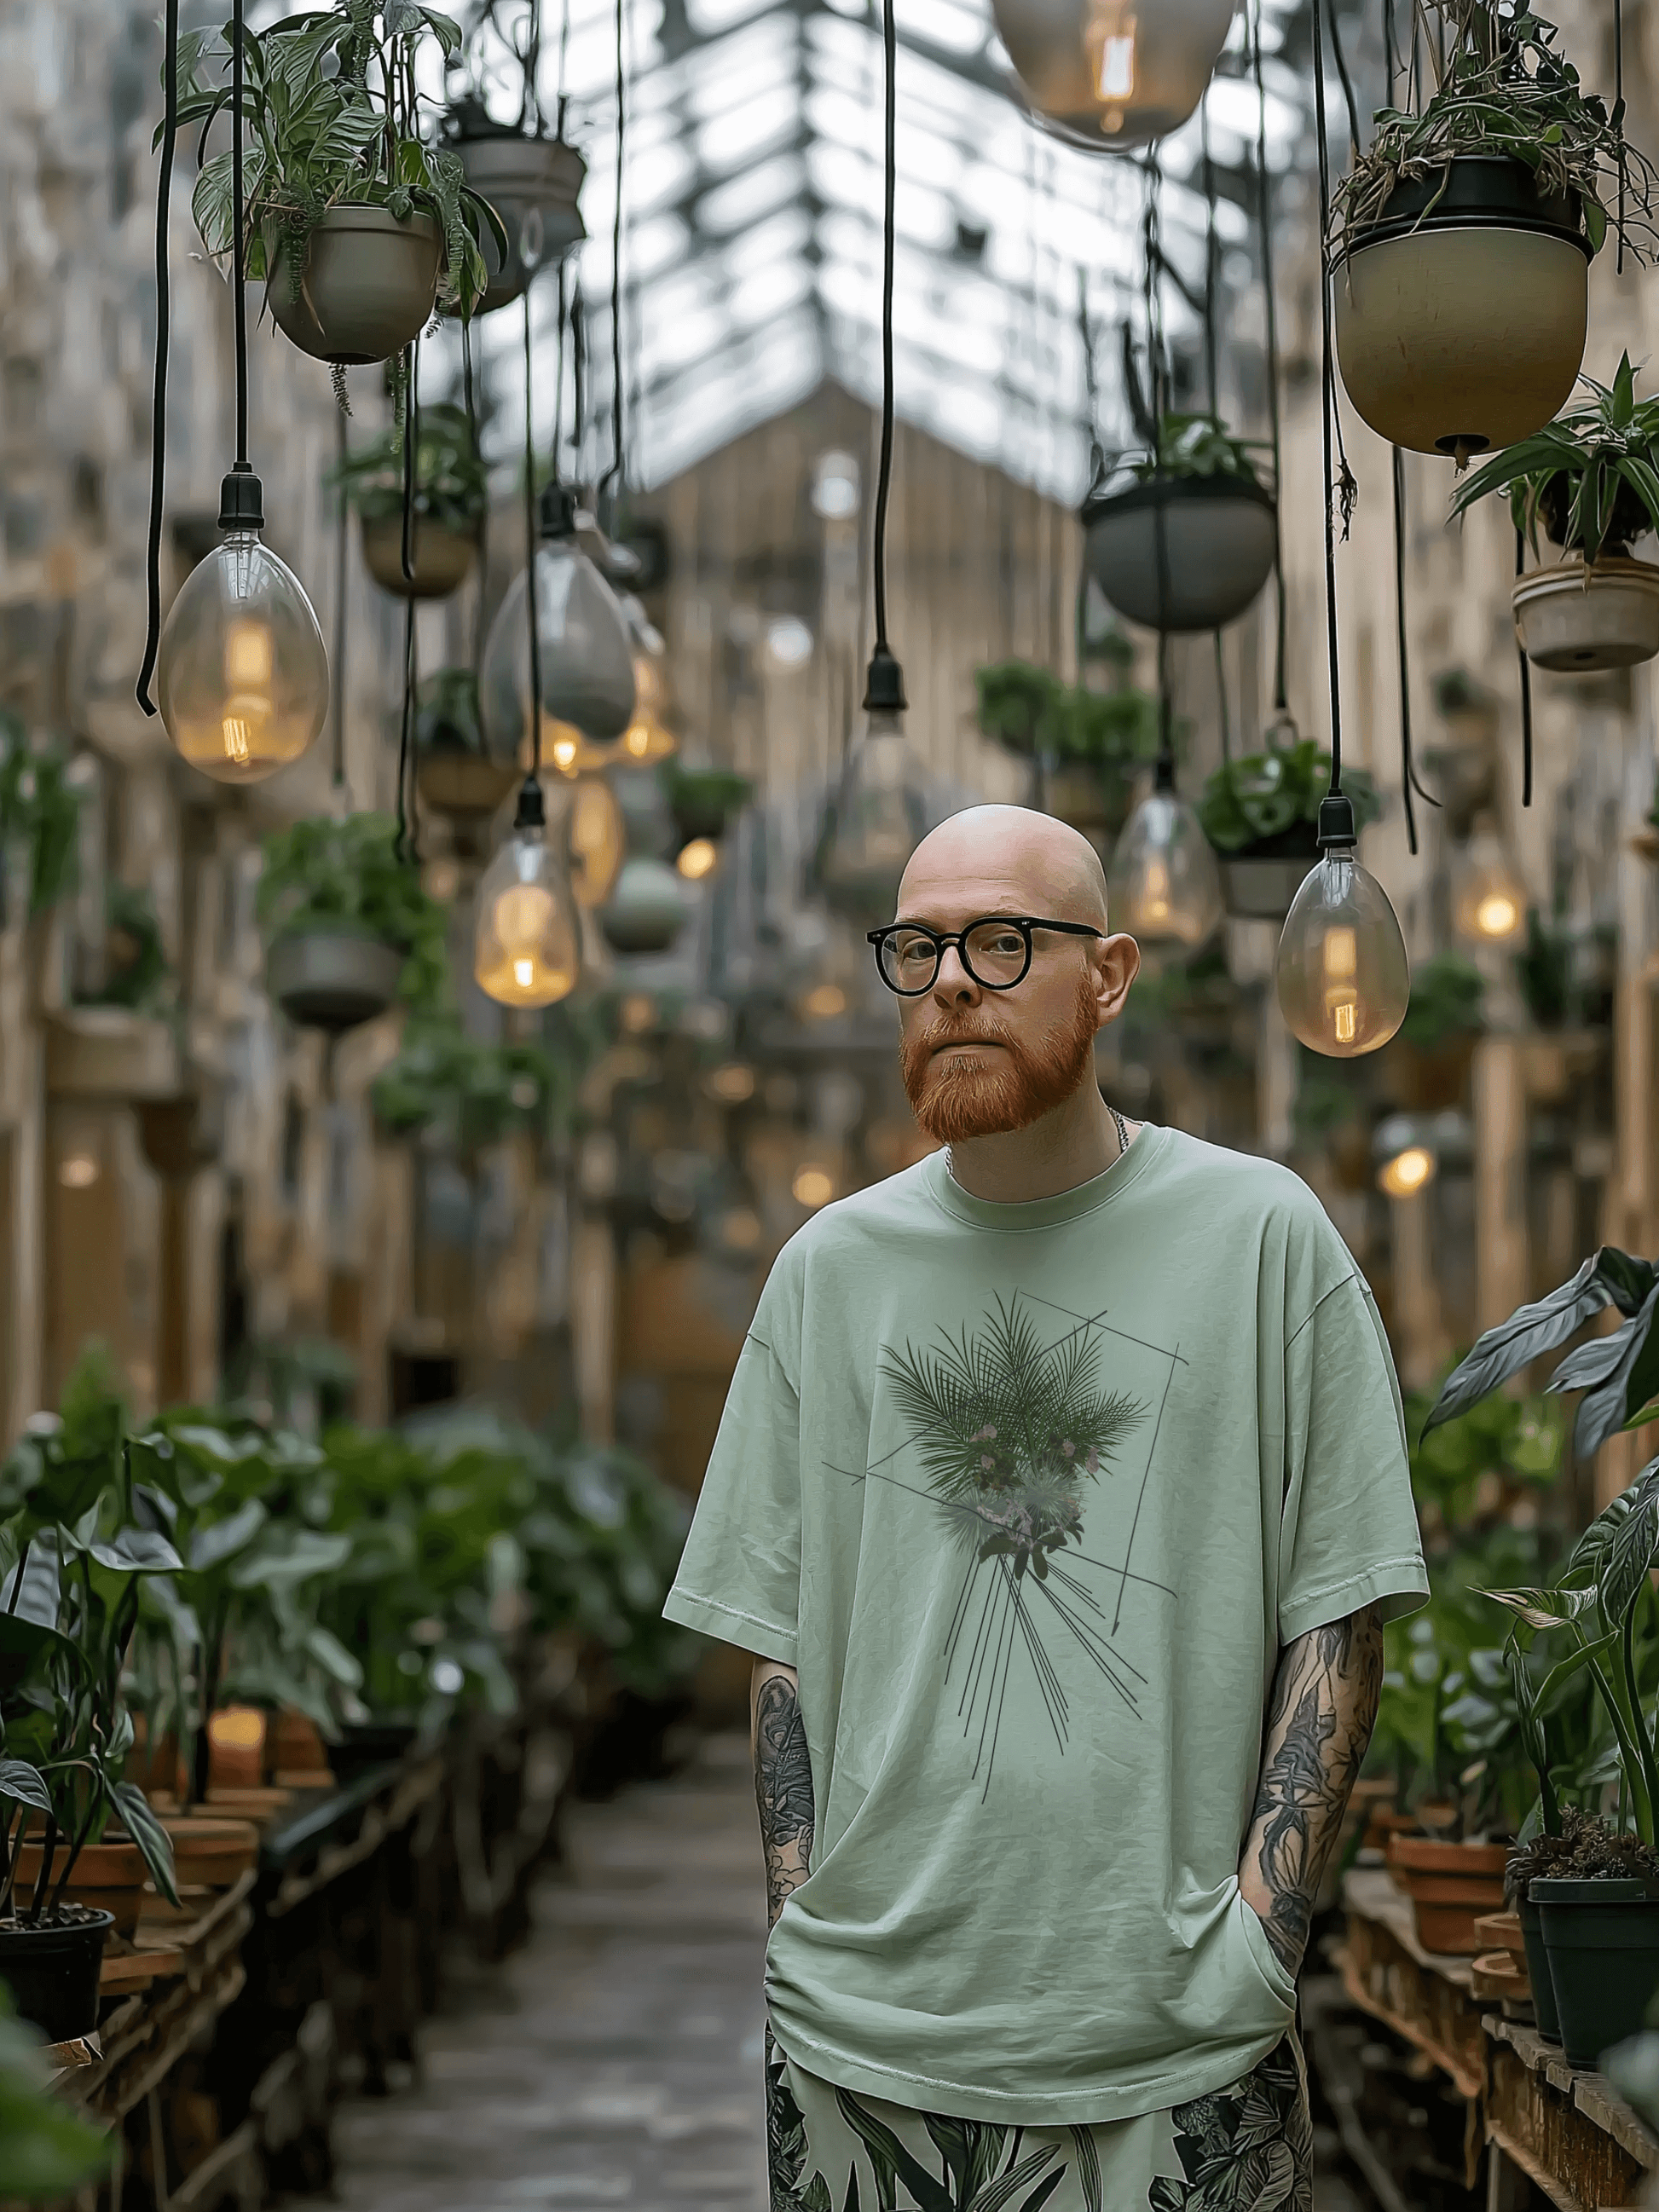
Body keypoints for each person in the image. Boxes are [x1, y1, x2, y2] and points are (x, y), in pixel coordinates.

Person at [662, 805, 1426, 2212]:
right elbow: (776, 1639)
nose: (950, 978)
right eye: (917, 946)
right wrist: (798, 1916)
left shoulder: (1263, 1242)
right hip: (862, 2047)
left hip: (1178, 2051)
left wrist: (1261, 1936)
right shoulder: (827, 1275)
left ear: (1111, 973)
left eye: (1001, 942)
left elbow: (1340, 1609)